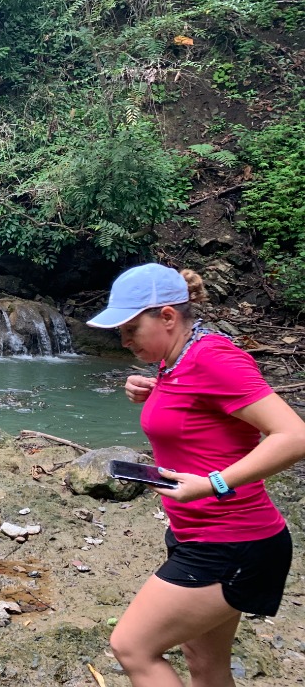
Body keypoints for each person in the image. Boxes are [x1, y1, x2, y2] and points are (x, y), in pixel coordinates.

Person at [86, 262, 305, 687]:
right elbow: (204, 415)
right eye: (120, 332)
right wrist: (154, 390)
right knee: (204, 663)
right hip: (201, 536)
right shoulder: (180, 357)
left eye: (131, 328)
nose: (125, 340)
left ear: (167, 317)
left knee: (132, 647)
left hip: (232, 545)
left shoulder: (212, 356)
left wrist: (213, 483)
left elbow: (294, 435)